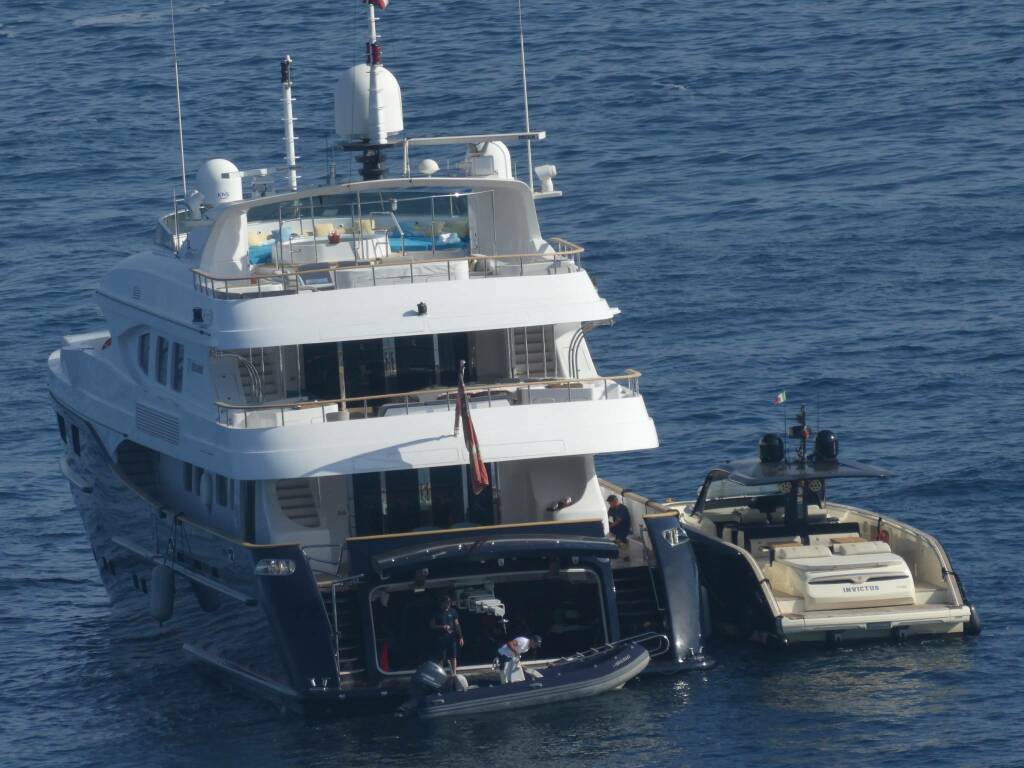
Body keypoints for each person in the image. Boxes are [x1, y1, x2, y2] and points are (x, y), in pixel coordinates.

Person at [430, 594, 464, 676]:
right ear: (442, 603)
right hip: (441, 637)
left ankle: (454, 673)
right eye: (446, 603)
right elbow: (431, 625)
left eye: (449, 603)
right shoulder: (436, 613)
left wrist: (461, 637)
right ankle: (441, 674)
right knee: (441, 657)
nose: (448, 604)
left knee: (453, 656)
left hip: (451, 637)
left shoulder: (453, 611)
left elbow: (457, 624)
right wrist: (442, 627)